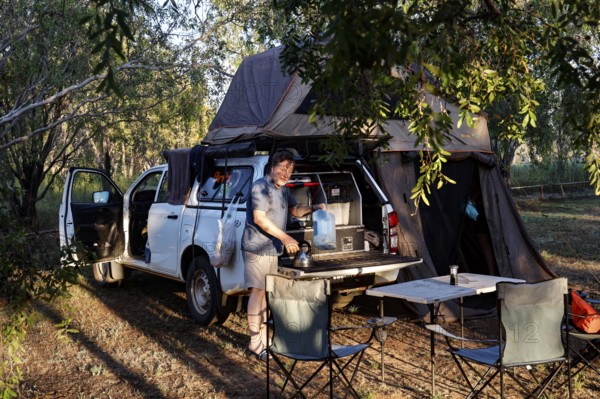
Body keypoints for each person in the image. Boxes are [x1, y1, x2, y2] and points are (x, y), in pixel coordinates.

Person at [242, 149, 326, 360]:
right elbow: (259, 218)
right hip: (257, 248)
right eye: (282, 168)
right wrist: (285, 238)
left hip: (272, 251)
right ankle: (254, 342)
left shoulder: (283, 189)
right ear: (272, 167)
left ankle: (264, 339)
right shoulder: (261, 186)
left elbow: (295, 210)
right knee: (257, 293)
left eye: (290, 169)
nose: (286, 172)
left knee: (266, 296)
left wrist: (314, 208)